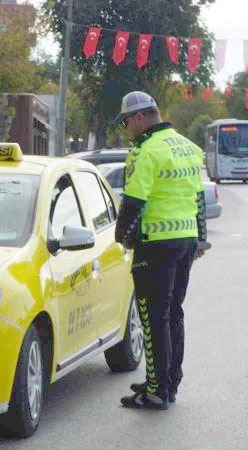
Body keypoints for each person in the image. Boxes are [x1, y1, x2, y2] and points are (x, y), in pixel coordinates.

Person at [113, 91, 208, 410]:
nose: (127, 127)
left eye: (126, 121)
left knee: (153, 316)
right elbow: (198, 200)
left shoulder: (145, 151)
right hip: (185, 242)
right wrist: (201, 239)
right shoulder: (188, 147)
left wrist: (122, 237)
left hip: (155, 244)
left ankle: (156, 389)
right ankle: (169, 381)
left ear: (140, 117)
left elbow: (133, 202)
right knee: (173, 312)